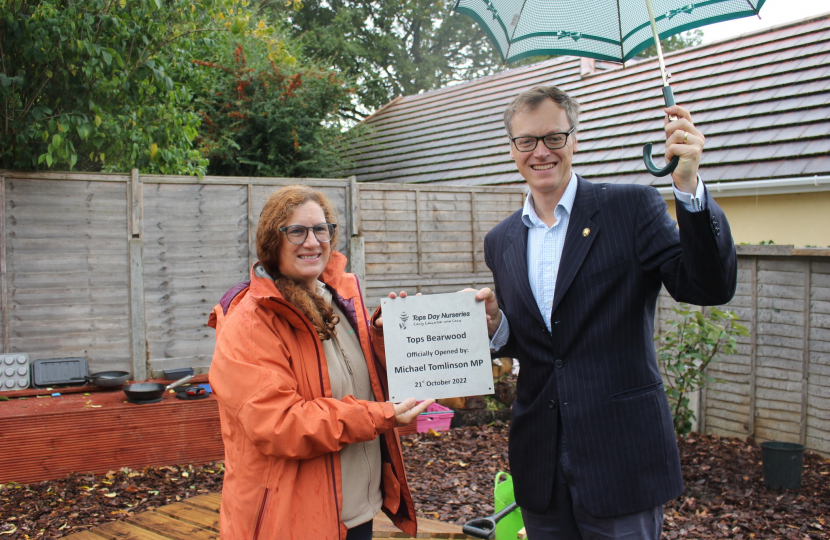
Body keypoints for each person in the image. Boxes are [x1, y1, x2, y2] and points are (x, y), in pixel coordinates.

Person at [473, 86, 738, 539]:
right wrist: (498, 327)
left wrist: (688, 186)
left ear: (574, 140)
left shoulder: (630, 208)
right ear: (511, 148)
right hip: (541, 466)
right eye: (527, 141)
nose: (541, 152)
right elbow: (541, 342)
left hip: (622, 459)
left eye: (554, 138)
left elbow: (708, 286)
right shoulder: (500, 240)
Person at [207, 185, 432, 540]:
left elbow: (360, 381)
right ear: (271, 240)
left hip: (356, 509)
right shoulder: (249, 323)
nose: (311, 241)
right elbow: (281, 425)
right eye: (295, 230)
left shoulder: (336, 297)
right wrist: (378, 416)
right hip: (291, 521)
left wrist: (389, 339)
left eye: (320, 229)